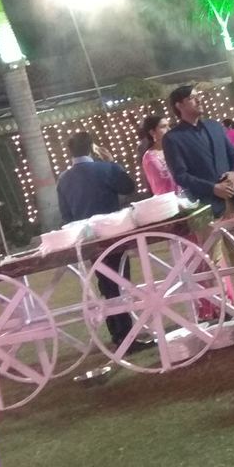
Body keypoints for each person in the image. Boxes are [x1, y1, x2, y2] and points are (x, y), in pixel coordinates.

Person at [56, 131, 137, 347]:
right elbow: (129, 187)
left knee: (106, 284)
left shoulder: (63, 179)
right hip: (113, 233)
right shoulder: (105, 169)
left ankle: (118, 333)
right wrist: (112, 162)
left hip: (87, 239)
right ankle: (126, 335)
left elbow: (66, 215)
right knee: (120, 281)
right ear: (92, 148)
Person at [164, 85, 234, 217]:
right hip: (206, 206)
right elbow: (181, 176)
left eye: (199, 96)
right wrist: (212, 188)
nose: (199, 100)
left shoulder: (215, 126)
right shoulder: (173, 138)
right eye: (192, 98)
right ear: (179, 105)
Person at [137, 113, 177, 196]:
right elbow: (162, 185)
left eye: (168, 126)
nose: (169, 129)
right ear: (152, 132)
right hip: (169, 199)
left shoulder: (175, 148)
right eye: (163, 126)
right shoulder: (150, 158)